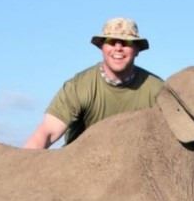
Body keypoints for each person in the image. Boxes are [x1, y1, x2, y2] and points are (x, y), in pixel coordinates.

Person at [24, 17, 163, 149]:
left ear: (137, 50)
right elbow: (47, 132)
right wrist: (23, 161)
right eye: (111, 41)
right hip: (80, 162)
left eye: (127, 42)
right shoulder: (79, 86)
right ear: (102, 47)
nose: (118, 48)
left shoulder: (158, 89)